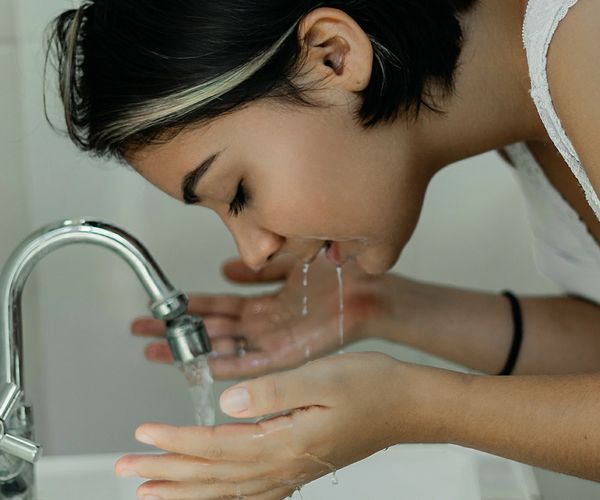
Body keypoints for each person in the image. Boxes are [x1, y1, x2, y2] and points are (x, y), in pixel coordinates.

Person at [46, 0, 600, 498]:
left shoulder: (588, 43)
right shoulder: (528, 112)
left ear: (332, 56)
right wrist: (380, 306)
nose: (257, 251)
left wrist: (418, 407)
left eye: (239, 192)